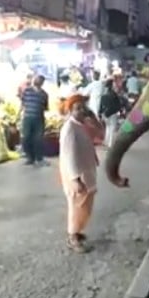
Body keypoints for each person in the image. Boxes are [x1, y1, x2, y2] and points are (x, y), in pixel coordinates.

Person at [58, 95, 99, 253]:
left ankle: (78, 231)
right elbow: (68, 156)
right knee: (76, 206)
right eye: (77, 109)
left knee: (85, 206)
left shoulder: (81, 125)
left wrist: (93, 117)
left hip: (86, 171)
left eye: (83, 107)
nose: (81, 111)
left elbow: (99, 133)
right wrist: (75, 179)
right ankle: (72, 236)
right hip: (76, 175)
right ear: (70, 111)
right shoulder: (69, 128)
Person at [20, 75, 49, 166]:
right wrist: (19, 116)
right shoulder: (27, 91)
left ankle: (39, 158)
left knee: (38, 139)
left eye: (40, 80)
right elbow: (22, 104)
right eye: (36, 79)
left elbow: (45, 107)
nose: (37, 81)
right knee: (26, 138)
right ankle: (30, 157)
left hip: (39, 119)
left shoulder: (44, 94)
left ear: (42, 83)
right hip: (27, 118)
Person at [98, 80, 125, 148]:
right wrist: (121, 112)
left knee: (108, 128)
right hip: (113, 114)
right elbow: (118, 105)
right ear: (111, 86)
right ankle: (110, 144)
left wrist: (100, 114)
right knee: (112, 129)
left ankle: (106, 142)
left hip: (105, 115)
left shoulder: (103, 95)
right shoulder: (114, 95)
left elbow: (100, 106)